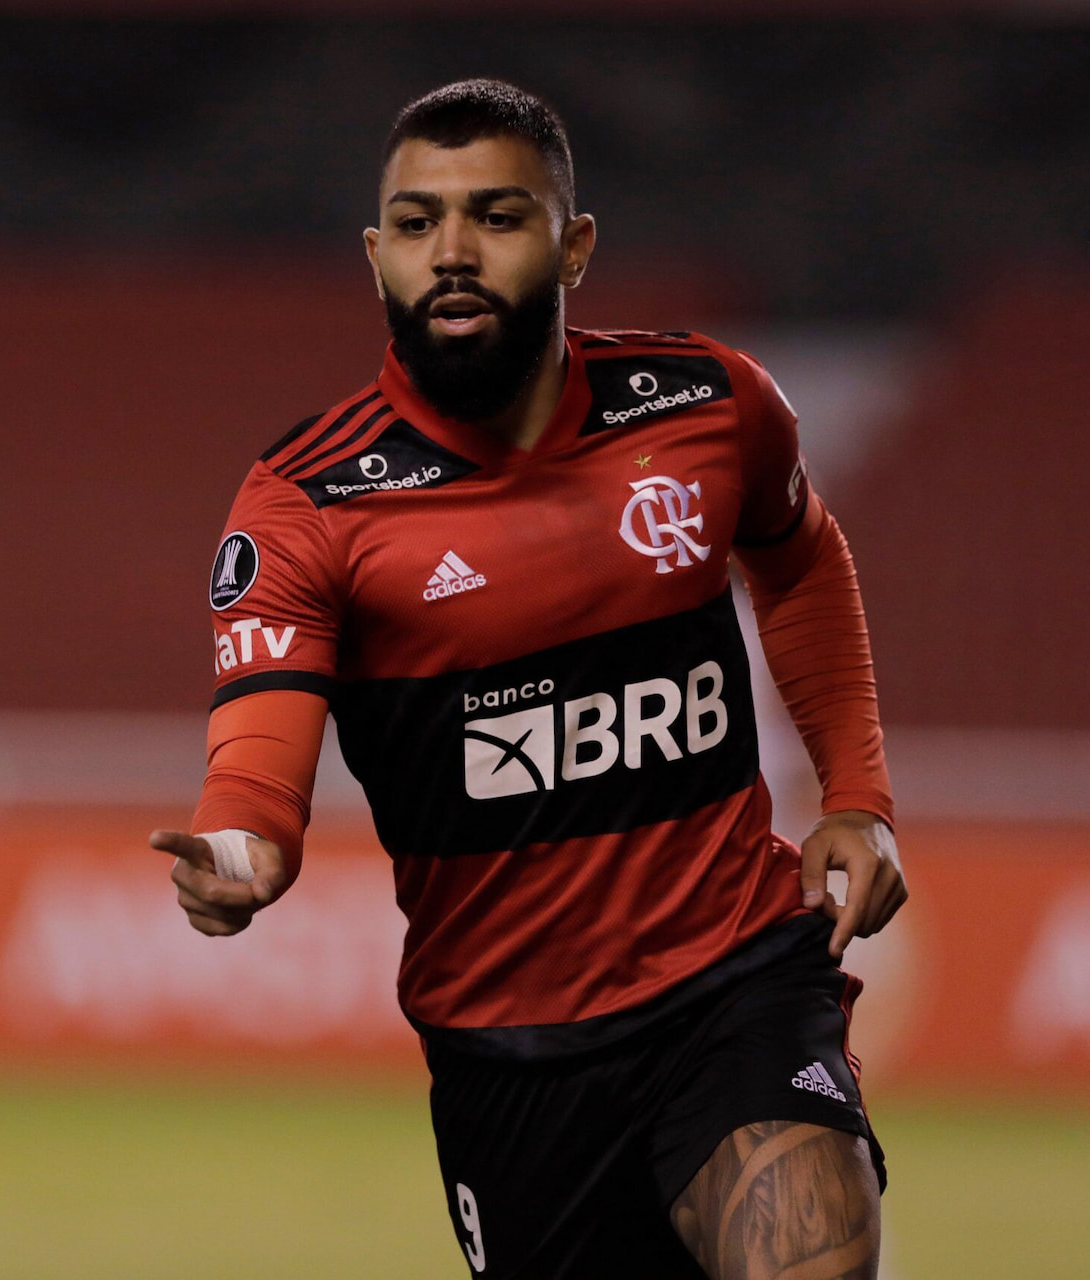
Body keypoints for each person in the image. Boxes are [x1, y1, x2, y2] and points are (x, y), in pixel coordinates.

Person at [152, 80, 905, 1279]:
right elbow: (258, 762)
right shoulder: (309, 502)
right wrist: (239, 854)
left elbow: (803, 561)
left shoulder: (709, 406)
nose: (450, 252)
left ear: (573, 244)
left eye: (496, 216)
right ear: (375, 253)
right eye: (415, 222)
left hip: (735, 982)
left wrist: (857, 794)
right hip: (512, 1056)